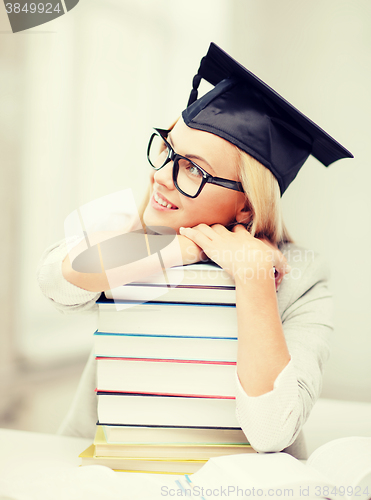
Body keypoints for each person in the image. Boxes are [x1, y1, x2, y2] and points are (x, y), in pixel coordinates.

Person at [37, 43, 352, 459]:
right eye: (168, 151)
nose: (160, 177)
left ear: (246, 203)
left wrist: (254, 280)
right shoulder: (134, 229)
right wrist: (183, 248)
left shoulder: (302, 279)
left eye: (192, 168)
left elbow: (272, 430)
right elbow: (57, 280)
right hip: (113, 472)